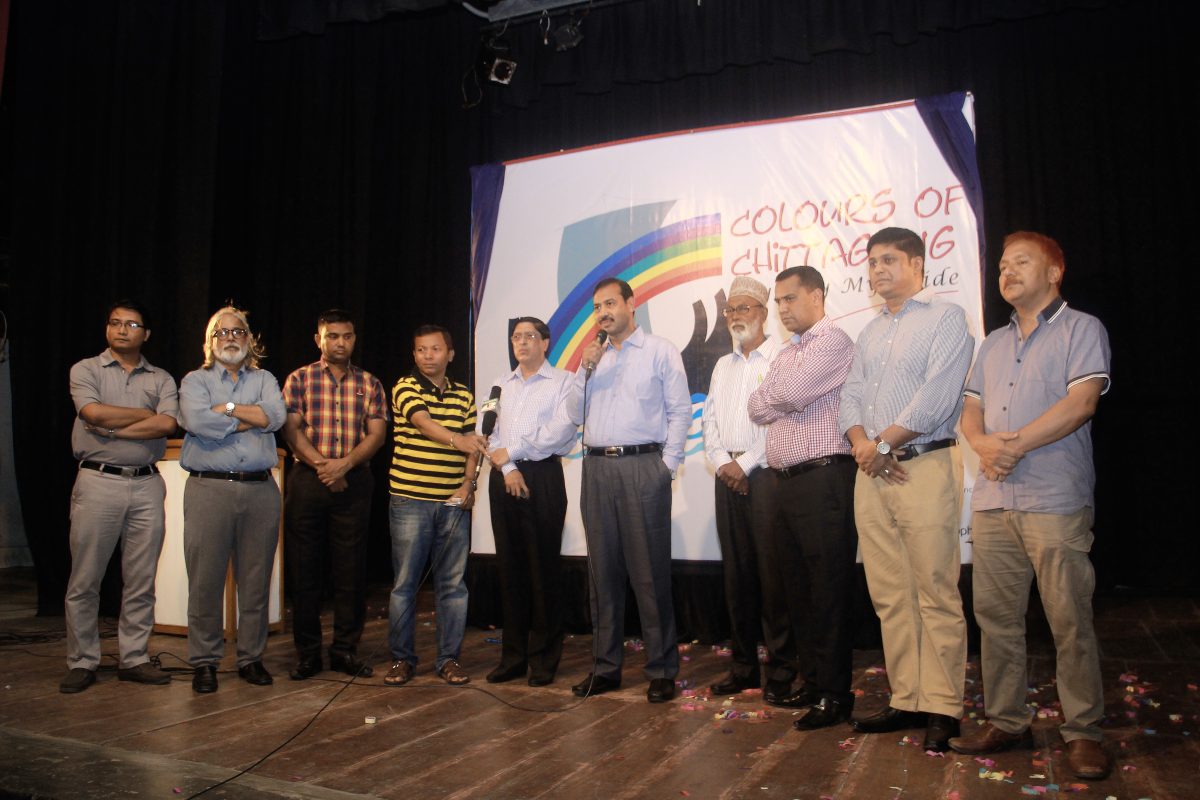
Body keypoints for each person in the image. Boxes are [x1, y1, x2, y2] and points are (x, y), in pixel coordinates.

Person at [948, 232, 1112, 779]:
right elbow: (970, 408)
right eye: (1002, 265)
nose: (1007, 272)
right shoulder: (992, 343)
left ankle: (1084, 732)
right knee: (996, 620)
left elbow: (1081, 403)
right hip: (994, 499)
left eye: (1021, 262)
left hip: (1053, 498)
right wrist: (981, 443)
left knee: (1068, 619)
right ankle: (1006, 720)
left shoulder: (1082, 328)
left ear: (1055, 272)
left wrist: (1012, 445)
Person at [838, 227, 975, 751]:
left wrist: (881, 445)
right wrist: (863, 446)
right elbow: (850, 396)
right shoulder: (870, 331)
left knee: (935, 590)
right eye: (872, 262)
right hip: (872, 472)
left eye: (889, 260)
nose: (878, 270)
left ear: (918, 264)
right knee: (890, 594)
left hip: (922, 465)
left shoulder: (946, 318)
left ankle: (942, 706)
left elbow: (938, 396)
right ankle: (907, 697)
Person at [565, 277, 692, 703]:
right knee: (601, 574)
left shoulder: (660, 351)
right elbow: (572, 413)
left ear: (631, 304)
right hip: (596, 468)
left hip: (643, 467)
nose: (603, 313)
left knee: (649, 575)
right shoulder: (593, 359)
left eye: (610, 303)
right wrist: (584, 369)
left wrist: (665, 467)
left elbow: (679, 412)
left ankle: (661, 669)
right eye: (597, 307)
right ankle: (605, 668)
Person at [748, 266, 858, 730]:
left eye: (790, 299)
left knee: (827, 589)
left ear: (817, 296)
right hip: (786, 482)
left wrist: (776, 395)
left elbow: (787, 395)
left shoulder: (834, 341)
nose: (782, 309)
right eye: (778, 302)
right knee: (797, 589)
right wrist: (777, 396)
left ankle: (835, 694)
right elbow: (755, 406)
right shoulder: (788, 351)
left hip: (824, 478)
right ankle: (813, 684)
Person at [61, 300, 178, 694]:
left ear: (147, 334)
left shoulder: (161, 378)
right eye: (115, 323)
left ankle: (134, 657)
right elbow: (92, 414)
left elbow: (168, 423)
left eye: (132, 324)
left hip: (146, 483)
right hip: (98, 481)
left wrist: (113, 428)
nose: (122, 329)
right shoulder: (86, 369)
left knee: (141, 579)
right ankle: (82, 661)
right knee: (85, 578)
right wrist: (143, 415)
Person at [178, 306, 287, 694]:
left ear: (249, 339)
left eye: (237, 331)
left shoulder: (265, 378)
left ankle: (250, 658)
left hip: (261, 490)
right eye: (221, 332)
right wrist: (249, 417)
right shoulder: (195, 380)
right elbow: (196, 421)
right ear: (210, 341)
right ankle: (204, 662)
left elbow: (276, 416)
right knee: (204, 582)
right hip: (209, 490)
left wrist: (224, 410)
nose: (230, 338)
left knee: (255, 582)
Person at [282, 309, 387, 681]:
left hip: (354, 482)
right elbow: (291, 430)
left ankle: (345, 650)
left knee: (351, 572)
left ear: (354, 339)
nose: (340, 343)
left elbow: (377, 435)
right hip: (308, 480)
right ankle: (308, 654)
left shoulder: (370, 383)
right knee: (305, 571)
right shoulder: (299, 379)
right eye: (332, 336)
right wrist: (325, 467)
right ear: (319, 340)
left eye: (347, 336)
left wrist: (344, 466)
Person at [700, 277, 789, 699]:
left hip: (767, 475)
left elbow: (783, 423)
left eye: (745, 308)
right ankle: (743, 668)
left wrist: (745, 464)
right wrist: (724, 463)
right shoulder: (722, 365)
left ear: (764, 313)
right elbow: (709, 421)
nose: (736, 316)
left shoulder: (783, 358)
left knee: (774, 577)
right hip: (727, 477)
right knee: (737, 577)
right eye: (731, 309)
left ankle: (783, 670)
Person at [384, 325, 486, 687]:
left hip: (453, 503)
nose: (428, 356)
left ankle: (449, 660)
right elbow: (423, 423)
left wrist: (468, 483)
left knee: (453, 586)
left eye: (435, 349)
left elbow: (475, 445)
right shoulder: (405, 387)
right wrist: (458, 440)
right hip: (410, 500)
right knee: (405, 585)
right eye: (421, 350)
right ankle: (401, 659)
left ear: (450, 354)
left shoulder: (463, 395)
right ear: (414, 355)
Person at [483, 317, 574, 686]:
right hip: (503, 477)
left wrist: (514, 454)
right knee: (510, 570)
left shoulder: (564, 381)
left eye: (529, 336)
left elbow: (560, 432)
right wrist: (508, 468)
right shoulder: (499, 384)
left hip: (543, 477)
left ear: (545, 342)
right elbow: (487, 433)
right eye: (516, 337)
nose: (521, 342)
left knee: (543, 570)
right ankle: (513, 658)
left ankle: (543, 660)